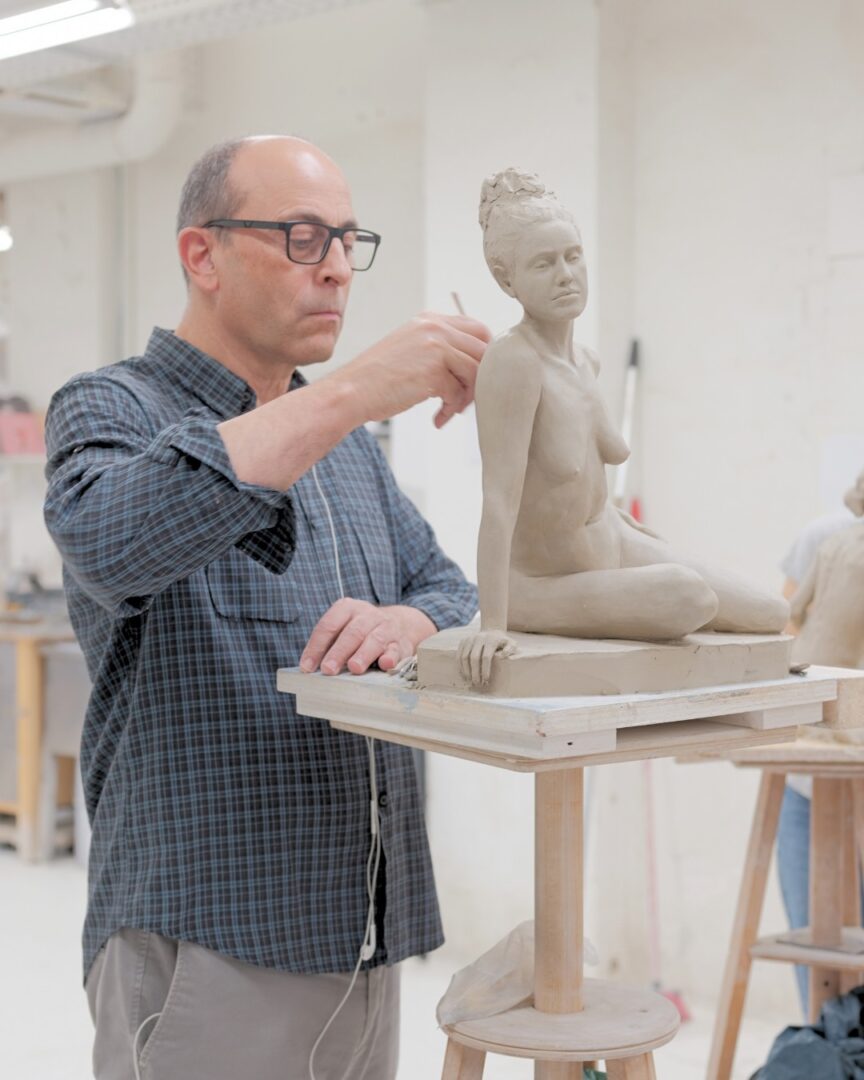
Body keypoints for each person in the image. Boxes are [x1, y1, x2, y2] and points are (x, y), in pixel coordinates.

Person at [42, 135, 490, 1080]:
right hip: (208, 937)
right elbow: (116, 542)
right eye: (301, 236)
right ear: (201, 255)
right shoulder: (109, 408)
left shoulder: (348, 447)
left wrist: (408, 623)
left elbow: (449, 587)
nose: (336, 268)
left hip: (361, 934)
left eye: (347, 240)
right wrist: (356, 391)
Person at [457, 168, 787, 686]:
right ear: (506, 280)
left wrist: (633, 534)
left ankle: (631, 578)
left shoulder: (585, 360)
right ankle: (528, 608)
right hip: (544, 581)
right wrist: (493, 624)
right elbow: (499, 499)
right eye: (543, 263)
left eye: (573, 256)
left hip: (612, 544)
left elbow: (584, 479)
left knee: (770, 612)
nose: (566, 275)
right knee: (689, 597)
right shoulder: (512, 363)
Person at [776, 467, 864, 1015]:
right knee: (818, 963)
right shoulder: (826, 537)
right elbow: (785, 624)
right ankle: (825, 1048)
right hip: (812, 780)